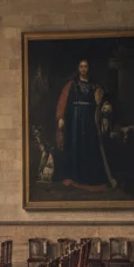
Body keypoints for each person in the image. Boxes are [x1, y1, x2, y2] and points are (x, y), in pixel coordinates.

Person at [54, 59, 116, 189]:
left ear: (89, 68)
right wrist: (61, 117)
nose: (83, 69)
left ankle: (89, 179)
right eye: (81, 66)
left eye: (86, 66)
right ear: (78, 68)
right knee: (75, 145)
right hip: (74, 120)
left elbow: (103, 100)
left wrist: (106, 106)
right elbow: (62, 101)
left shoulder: (95, 86)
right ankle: (74, 177)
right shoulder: (72, 85)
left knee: (90, 146)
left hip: (90, 120)